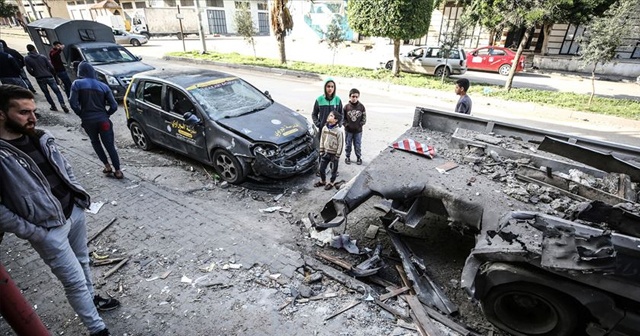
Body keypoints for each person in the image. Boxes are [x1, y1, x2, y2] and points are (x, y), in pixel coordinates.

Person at [0, 84, 119, 336]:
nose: (33, 118)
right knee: (74, 282)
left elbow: (64, 168)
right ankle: (98, 330)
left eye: (33, 111)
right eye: (23, 112)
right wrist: (33, 232)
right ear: (2, 114)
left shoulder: (40, 136)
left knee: (84, 264)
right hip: (47, 230)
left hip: (73, 212)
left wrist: (78, 196)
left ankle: (92, 302)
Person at [70, 61, 123, 179]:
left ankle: (107, 166)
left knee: (95, 142)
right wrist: (106, 115)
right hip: (103, 120)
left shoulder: (77, 84)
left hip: (88, 121)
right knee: (110, 146)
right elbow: (114, 106)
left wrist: (82, 114)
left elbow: (73, 103)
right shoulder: (103, 86)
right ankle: (118, 170)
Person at [24, 44, 69, 113]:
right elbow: (51, 67)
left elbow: (29, 69)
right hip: (48, 76)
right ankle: (62, 104)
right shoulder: (43, 57)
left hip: (39, 78)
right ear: (34, 49)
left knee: (46, 93)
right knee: (57, 92)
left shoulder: (27, 59)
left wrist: (35, 74)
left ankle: (53, 106)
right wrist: (52, 74)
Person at [314, 111, 344, 191]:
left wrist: (337, 155)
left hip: (334, 155)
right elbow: (322, 140)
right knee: (321, 168)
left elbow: (340, 144)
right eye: (329, 115)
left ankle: (331, 182)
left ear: (336, 120)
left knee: (333, 170)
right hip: (325, 152)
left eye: (331, 116)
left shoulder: (339, 131)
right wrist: (321, 151)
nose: (328, 117)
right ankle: (323, 181)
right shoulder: (324, 128)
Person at [343, 88, 367, 165]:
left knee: (358, 145)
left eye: (356, 97)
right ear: (350, 96)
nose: (354, 98)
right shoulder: (346, 107)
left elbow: (364, 118)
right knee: (348, 144)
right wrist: (346, 125)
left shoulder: (361, 107)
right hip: (348, 130)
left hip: (358, 131)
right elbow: (343, 118)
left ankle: (358, 157)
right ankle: (347, 157)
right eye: (353, 96)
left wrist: (360, 125)